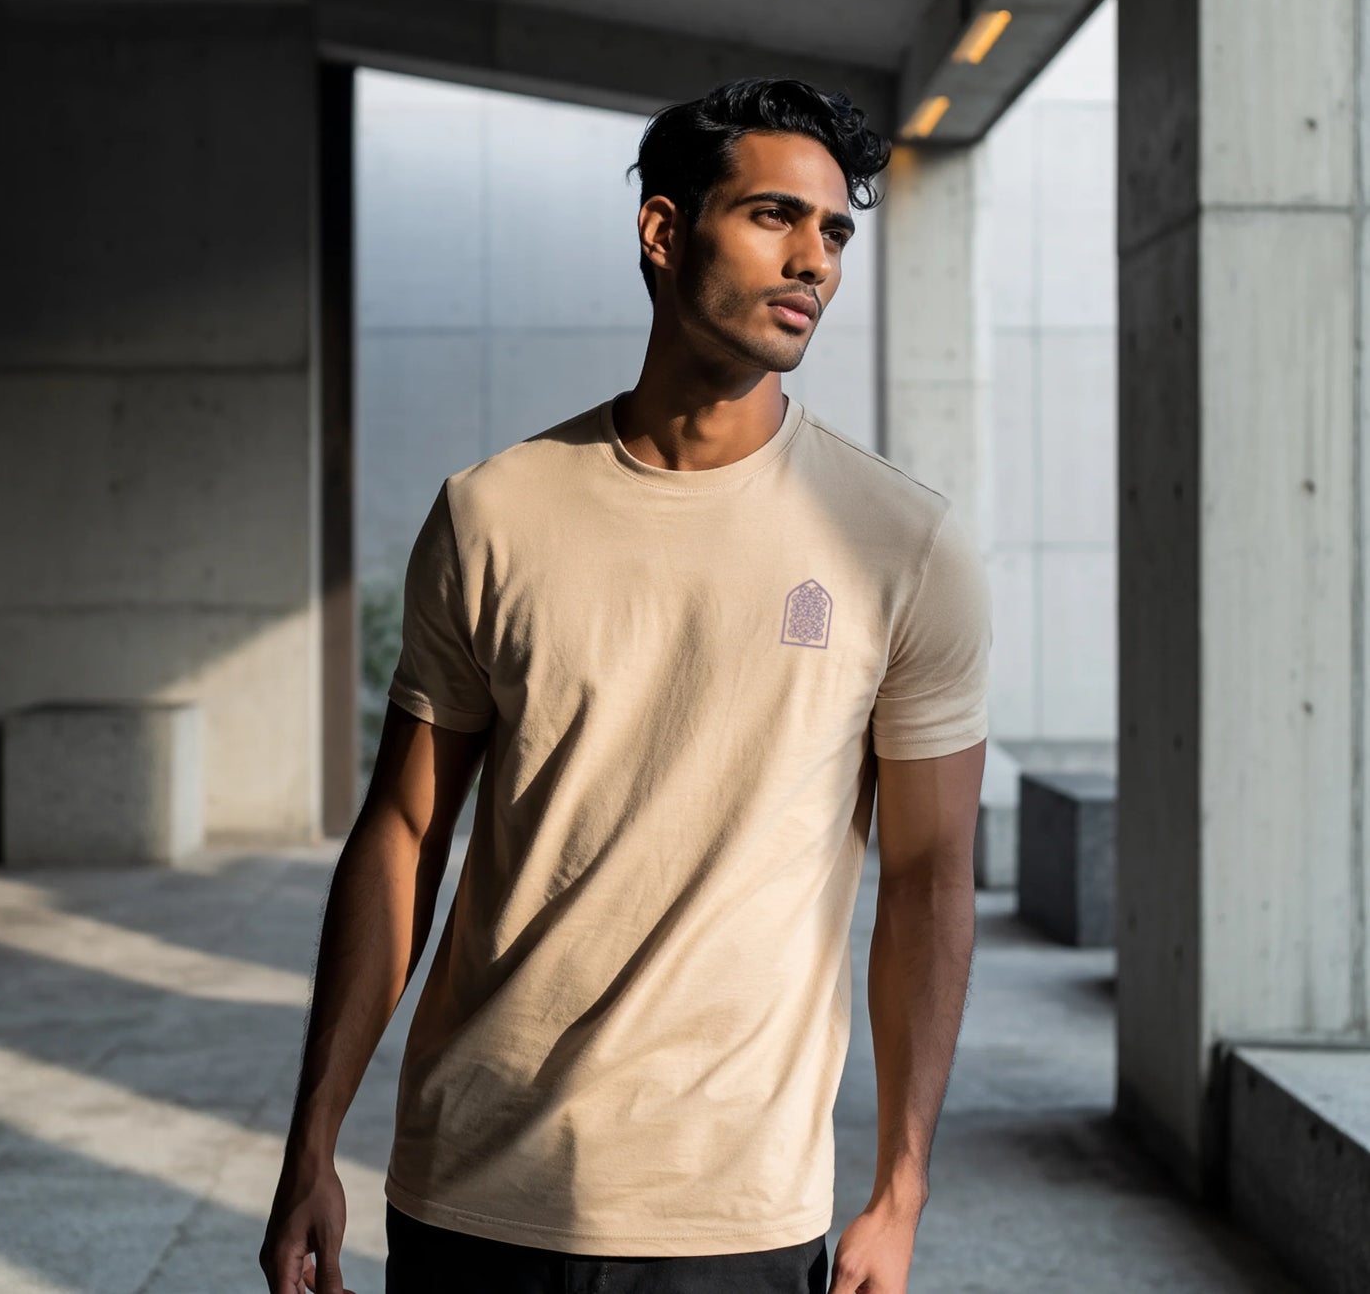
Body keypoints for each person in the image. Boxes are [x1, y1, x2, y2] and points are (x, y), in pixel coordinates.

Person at [259, 77, 991, 1294]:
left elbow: (928, 876)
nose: (813, 258)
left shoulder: (900, 545)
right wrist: (311, 1138)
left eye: (835, 230)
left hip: (732, 1213)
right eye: (772, 216)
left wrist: (899, 1189)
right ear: (662, 231)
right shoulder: (494, 511)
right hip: (472, 1189)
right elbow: (402, 830)